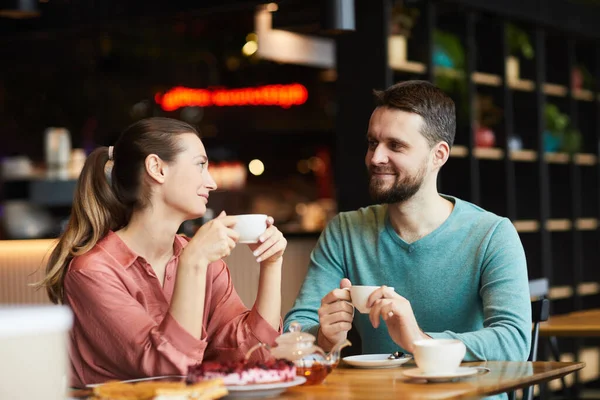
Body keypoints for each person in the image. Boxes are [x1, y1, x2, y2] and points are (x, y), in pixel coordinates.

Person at [284, 81, 532, 363]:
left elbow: (514, 341)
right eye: (372, 143)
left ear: (438, 155)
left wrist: (419, 341)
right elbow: (295, 330)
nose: (376, 158)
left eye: (396, 146)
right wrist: (324, 337)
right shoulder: (345, 231)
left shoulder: (491, 235)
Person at [37, 117, 287, 387]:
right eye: (201, 165)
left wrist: (271, 264)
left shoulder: (200, 258)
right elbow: (167, 374)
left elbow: (252, 357)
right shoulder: (92, 272)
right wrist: (193, 263)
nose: (212, 182)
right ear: (157, 168)